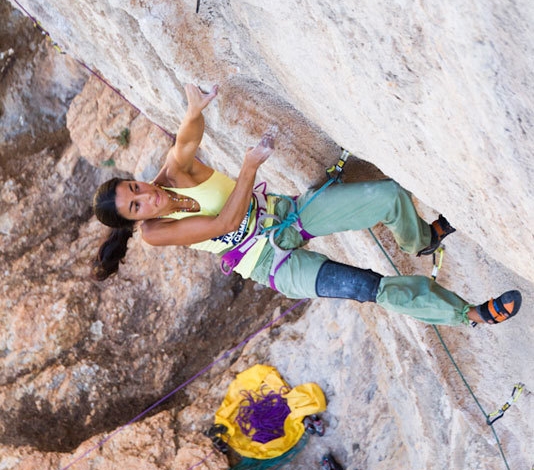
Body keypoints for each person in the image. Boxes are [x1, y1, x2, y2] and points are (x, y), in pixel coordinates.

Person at [92, 84, 521, 327]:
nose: (146, 196)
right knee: (366, 286)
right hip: (269, 263)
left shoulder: (173, 173)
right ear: (136, 221)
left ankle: (422, 239)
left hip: (285, 218)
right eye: (136, 206)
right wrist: (248, 167)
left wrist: (193, 108)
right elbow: (226, 219)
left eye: (135, 187)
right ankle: (469, 314)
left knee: (387, 195)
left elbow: (186, 138)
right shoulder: (156, 234)